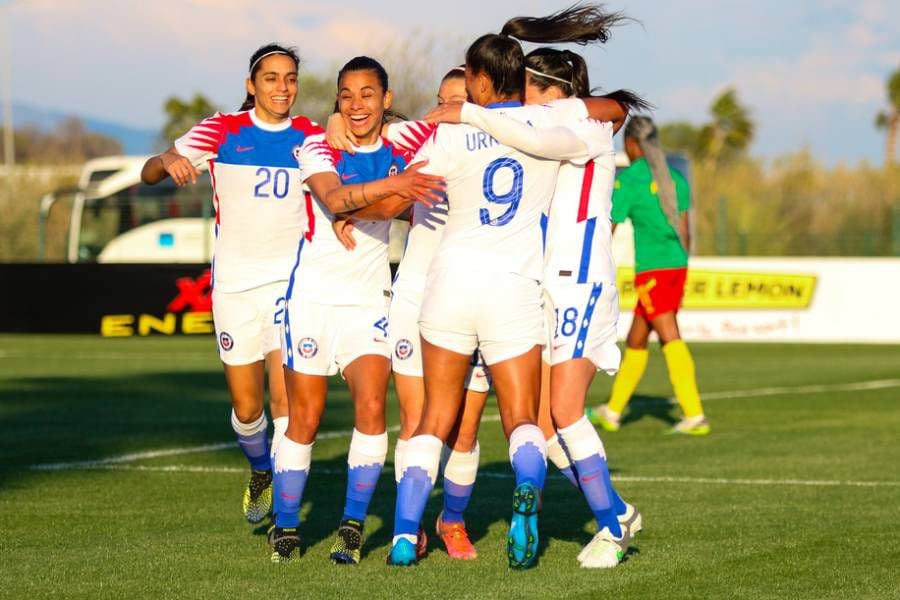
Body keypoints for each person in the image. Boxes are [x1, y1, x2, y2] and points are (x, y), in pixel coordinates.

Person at [388, 4, 634, 569]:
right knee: (530, 418)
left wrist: (451, 117)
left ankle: (406, 533)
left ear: (476, 79)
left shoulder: (466, 130)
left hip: (456, 283)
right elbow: (609, 110)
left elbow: (389, 143)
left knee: (437, 419)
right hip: (520, 287)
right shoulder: (547, 131)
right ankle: (588, 510)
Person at [445, 46, 648, 568]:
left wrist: (469, 111)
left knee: (563, 410)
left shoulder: (577, 127)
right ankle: (611, 510)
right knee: (545, 423)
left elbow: (541, 130)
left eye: (530, 87)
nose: (521, 98)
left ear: (555, 92)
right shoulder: (563, 118)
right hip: (544, 285)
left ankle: (614, 522)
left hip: (579, 282)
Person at [268, 56, 445, 565]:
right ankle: (285, 525)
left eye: (368, 94)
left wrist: (373, 200)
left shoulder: (404, 139)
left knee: (372, 410)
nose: (356, 104)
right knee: (305, 415)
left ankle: (351, 522)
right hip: (312, 300)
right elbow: (335, 196)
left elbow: (445, 129)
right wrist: (393, 187)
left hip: (369, 300)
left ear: (386, 100)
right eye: (346, 95)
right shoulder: (317, 146)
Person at [140, 43, 320, 527]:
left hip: (290, 286)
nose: (282, 87)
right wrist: (166, 158)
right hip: (235, 289)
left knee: (287, 402)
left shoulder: (312, 136)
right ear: (251, 85)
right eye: (271, 78)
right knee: (248, 409)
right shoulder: (222, 129)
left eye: (290, 78)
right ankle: (260, 467)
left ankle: (285, 519)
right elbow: (150, 172)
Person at [329, 64, 490, 561]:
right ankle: (410, 526)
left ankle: (453, 521)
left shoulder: (507, 144)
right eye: (441, 99)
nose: (446, 109)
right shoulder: (419, 139)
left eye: (458, 101)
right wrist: (336, 122)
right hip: (416, 294)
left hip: (479, 295)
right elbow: (353, 126)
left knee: (465, 425)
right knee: (417, 419)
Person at [587, 116, 710, 435]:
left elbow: (608, 226)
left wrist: (594, 265)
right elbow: (686, 231)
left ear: (631, 144)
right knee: (637, 339)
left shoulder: (630, 180)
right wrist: (680, 262)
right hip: (676, 266)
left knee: (669, 334)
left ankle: (695, 415)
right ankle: (612, 411)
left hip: (653, 269)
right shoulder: (675, 179)